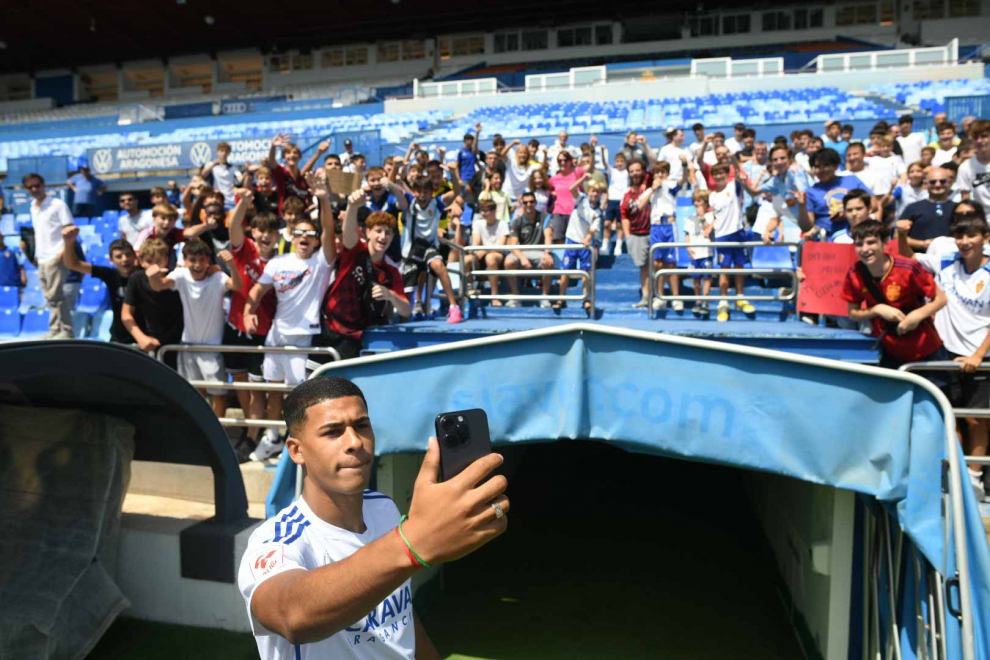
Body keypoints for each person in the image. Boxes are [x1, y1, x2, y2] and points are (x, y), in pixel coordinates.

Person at [238, 375, 508, 660]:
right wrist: (411, 544)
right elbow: (291, 615)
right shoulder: (276, 540)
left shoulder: (384, 509)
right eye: (333, 432)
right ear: (296, 450)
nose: (355, 441)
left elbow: (400, 615)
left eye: (362, 425)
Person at [899, 202, 990, 501]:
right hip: (944, 352)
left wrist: (978, 355)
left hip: (980, 356)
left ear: (985, 238)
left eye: (972, 236)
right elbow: (909, 257)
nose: (965, 242)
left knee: (977, 419)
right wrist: (902, 235)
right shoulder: (946, 259)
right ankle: (954, 471)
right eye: (960, 236)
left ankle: (974, 478)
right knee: (947, 415)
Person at [244, 173, 337, 461]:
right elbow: (259, 289)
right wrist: (248, 310)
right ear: (292, 236)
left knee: (298, 393)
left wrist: (322, 198)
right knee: (273, 388)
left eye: (311, 234)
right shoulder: (277, 262)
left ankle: (299, 441)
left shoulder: (321, 262)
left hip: (303, 336)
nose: (306, 238)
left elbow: (329, 233)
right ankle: (272, 438)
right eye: (301, 234)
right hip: (276, 334)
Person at [147, 239, 242, 417]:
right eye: (192, 259)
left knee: (219, 395)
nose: (197, 265)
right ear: (185, 260)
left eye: (201, 259)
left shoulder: (218, 277)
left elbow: (237, 286)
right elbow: (159, 285)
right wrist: (152, 276)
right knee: (195, 393)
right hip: (188, 346)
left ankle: (217, 436)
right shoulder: (181, 275)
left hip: (212, 348)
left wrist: (231, 264)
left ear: (208, 260)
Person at [313, 189, 409, 365]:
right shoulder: (356, 251)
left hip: (352, 336)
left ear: (393, 236)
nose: (383, 236)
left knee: (339, 387)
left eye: (388, 233)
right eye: (378, 231)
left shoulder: (390, 271)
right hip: (326, 326)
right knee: (312, 384)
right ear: (368, 233)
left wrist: (390, 295)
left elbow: (406, 310)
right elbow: (348, 233)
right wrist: (352, 206)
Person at [841, 219, 947, 372]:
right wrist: (877, 309)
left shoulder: (909, 268)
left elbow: (941, 299)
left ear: (885, 242)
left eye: (871, 242)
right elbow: (853, 313)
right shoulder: (854, 273)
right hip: (890, 352)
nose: (865, 249)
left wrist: (916, 316)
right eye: (859, 244)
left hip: (926, 349)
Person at [226, 191, 280, 456]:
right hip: (236, 327)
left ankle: (252, 436)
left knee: (258, 388)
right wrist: (242, 204)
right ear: (254, 232)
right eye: (260, 230)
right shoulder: (244, 248)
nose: (265, 235)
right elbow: (233, 226)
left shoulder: (282, 261)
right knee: (240, 384)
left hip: (263, 332)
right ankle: (252, 430)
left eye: (271, 231)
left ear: (278, 235)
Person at [399, 177, 463, 324]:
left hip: (429, 246)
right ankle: (409, 314)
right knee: (407, 295)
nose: (422, 195)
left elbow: (458, 191)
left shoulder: (437, 203)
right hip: (411, 250)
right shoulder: (409, 201)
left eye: (426, 192)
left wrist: (453, 172)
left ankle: (454, 307)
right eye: (419, 192)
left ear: (432, 193)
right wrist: (395, 173)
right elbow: (394, 190)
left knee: (438, 265)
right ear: (414, 192)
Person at [62, 226, 136, 344]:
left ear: (134, 257)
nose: (125, 259)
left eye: (128, 255)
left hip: (141, 337)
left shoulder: (143, 276)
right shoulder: (110, 275)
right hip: (118, 338)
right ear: (111, 260)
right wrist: (69, 243)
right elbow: (73, 265)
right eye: (119, 256)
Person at [23, 173, 75, 339]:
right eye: (30, 187)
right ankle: (55, 329)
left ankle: (66, 330)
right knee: (49, 297)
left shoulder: (57, 204)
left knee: (56, 295)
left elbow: (70, 229)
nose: (34, 189)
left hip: (56, 255)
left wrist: (62, 253)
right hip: (42, 257)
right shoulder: (33, 206)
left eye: (37, 185)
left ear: (44, 185)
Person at [122, 238, 183, 367]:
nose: (154, 267)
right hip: (149, 342)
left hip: (178, 342)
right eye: (149, 262)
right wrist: (141, 337)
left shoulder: (177, 277)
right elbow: (126, 314)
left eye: (158, 261)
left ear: (166, 260)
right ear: (141, 261)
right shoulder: (136, 278)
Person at [708, 163, 755, 322]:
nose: (719, 176)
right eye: (716, 174)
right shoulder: (712, 196)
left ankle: (740, 297)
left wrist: (734, 162)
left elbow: (739, 177)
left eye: (722, 173)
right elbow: (717, 217)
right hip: (722, 236)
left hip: (738, 233)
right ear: (713, 177)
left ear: (727, 174)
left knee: (739, 267)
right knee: (724, 269)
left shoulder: (733, 186)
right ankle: (723, 301)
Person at [801, 148, 870, 238]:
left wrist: (846, 213)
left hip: (859, 234)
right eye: (817, 167)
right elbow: (807, 226)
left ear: (836, 165)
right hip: (827, 238)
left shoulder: (852, 180)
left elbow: (873, 204)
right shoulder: (810, 192)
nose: (822, 170)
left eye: (826, 165)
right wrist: (801, 206)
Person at [559, 175, 603, 316]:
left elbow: (593, 229)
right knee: (565, 271)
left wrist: (588, 238)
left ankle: (586, 299)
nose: (594, 194)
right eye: (592, 191)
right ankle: (561, 298)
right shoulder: (581, 199)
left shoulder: (598, 212)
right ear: (588, 191)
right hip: (572, 239)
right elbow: (571, 188)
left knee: (586, 274)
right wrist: (583, 177)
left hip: (585, 245)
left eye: (597, 192)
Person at [645, 161, 686, 312]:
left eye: (663, 172)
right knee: (657, 264)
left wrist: (685, 166)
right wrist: (652, 188)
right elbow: (640, 205)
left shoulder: (671, 185)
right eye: (657, 172)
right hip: (656, 226)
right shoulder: (651, 190)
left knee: (671, 264)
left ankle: (676, 297)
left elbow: (682, 182)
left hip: (669, 225)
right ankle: (660, 296)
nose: (660, 175)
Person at [504, 191, 554, 306]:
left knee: (548, 262)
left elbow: (548, 235)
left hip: (539, 252)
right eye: (525, 202)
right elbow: (513, 244)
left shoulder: (544, 217)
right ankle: (516, 297)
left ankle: (545, 297)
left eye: (531, 202)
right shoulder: (517, 221)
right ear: (522, 204)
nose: (529, 204)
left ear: (536, 203)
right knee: (509, 261)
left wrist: (547, 253)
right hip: (523, 253)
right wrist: (522, 258)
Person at [899, 167, 956, 253]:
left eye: (942, 181)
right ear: (926, 184)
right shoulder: (913, 208)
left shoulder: (958, 208)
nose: (937, 185)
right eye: (933, 182)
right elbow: (898, 237)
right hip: (919, 260)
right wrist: (921, 244)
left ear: (949, 183)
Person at [620, 160, 653, 308]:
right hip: (636, 234)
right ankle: (646, 297)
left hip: (654, 232)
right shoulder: (626, 194)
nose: (635, 173)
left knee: (658, 265)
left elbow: (654, 162)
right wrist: (628, 237)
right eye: (632, 170)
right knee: (644, 267)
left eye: (638, 170)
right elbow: (624, 216)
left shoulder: (649, 186)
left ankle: (659, 296)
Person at [464, 199, 509, 306]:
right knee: (467, 259)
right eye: (482, 210)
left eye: (487, 210)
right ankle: (468, 292)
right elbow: (475, 244)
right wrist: (474, 251)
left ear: (494, 211)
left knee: (491, 258)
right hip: (481, 256)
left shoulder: (503, 224)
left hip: (498, 257)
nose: (483, 213)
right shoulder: (477, 223)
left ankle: (494, 296)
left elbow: (501, 247)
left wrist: (484, 250)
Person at [684, 190, 714, 317]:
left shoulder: (711, 216)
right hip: (695, 253)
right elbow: (687, 234)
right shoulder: (690, 218)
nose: (697, 203)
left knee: (707, 278)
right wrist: (688, 247)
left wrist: (702, 218)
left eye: (700, 200)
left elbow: (708, 231)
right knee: (696, 279)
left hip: (706, 252)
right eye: (695, 201)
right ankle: (697, 300)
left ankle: (705, 301)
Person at [267, 132, 310, 214]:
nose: (292, 155)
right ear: (284, 157)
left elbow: (308, 198)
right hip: (285, 215)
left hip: (301, 216)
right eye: (288, 153)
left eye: (295, 153)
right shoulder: (281, 172)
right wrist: (273, 147)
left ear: (300, 156)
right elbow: (272, 162)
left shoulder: (302, 177)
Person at [958, 119, 990, 215]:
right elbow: (965, 198)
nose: (980, 141)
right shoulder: (965, 167)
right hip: (982, 218)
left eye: (984, 136)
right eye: (976, 137)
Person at [201, 142, 242, 209]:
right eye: (222, 151)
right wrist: (213, 164)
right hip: (216, 200)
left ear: (228, 153)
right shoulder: (211, 165)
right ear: (217, 152)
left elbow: (240, 178)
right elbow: (203, 174)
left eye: (226, 151)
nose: (224, 153)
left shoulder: (232, 167)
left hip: (230, 202)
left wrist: (247, 172)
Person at [604, 151, 629, 256]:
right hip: (611, 200)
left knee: (620, 225)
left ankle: (618, 246)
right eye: (617, 161)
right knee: (607, 224)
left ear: (625, 162)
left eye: (621, 161)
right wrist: (602, 152)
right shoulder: (612, 171)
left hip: (622, 201)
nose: (619, 163)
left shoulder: (627, 173)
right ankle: (605, 245)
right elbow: (604, 163)